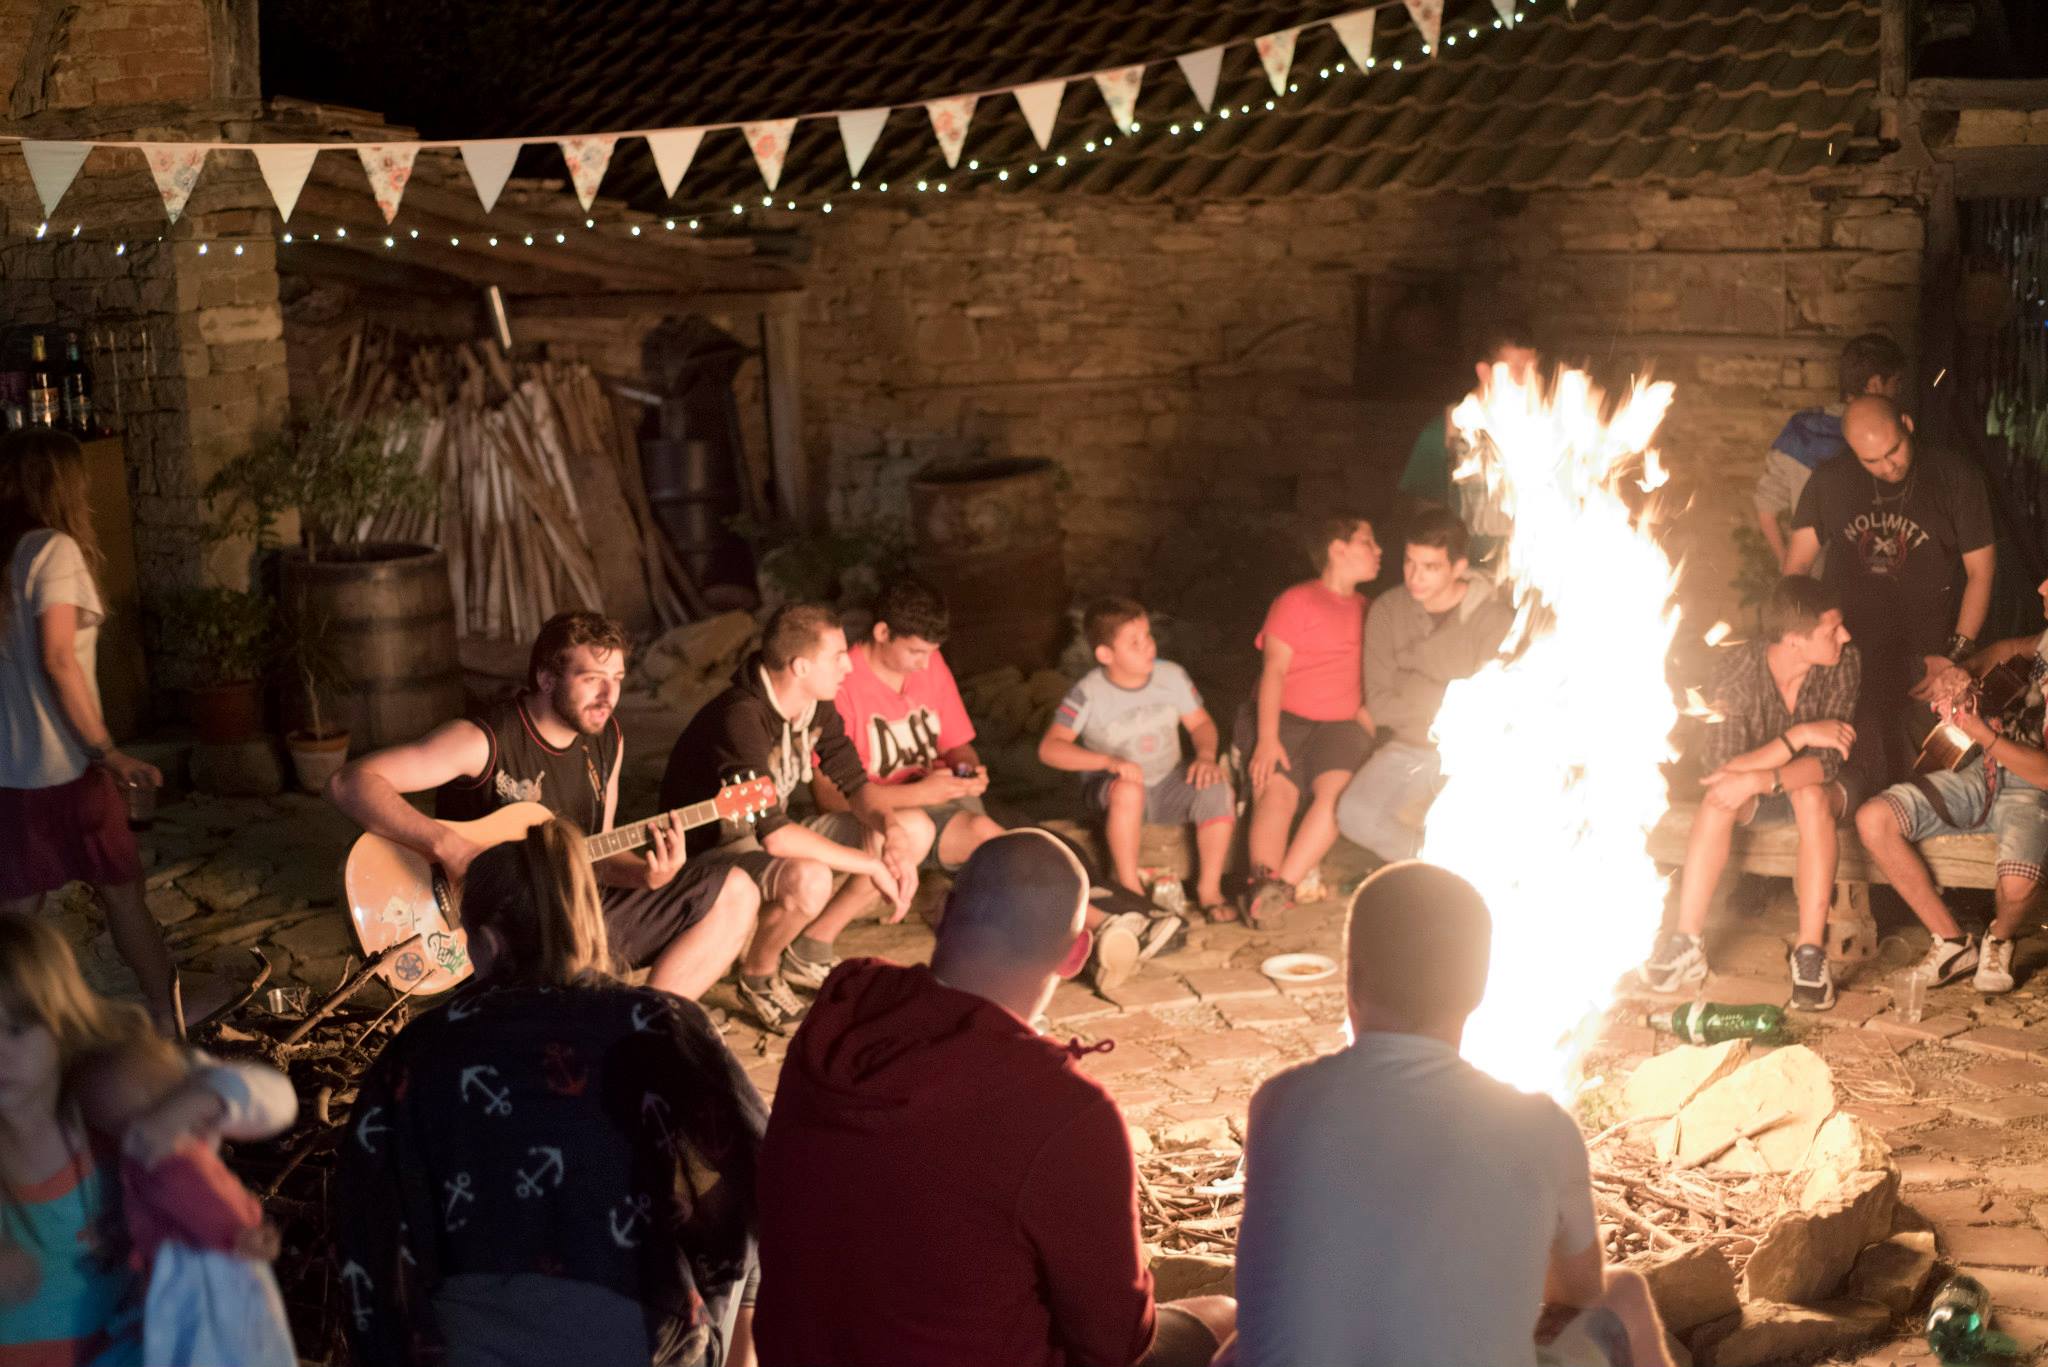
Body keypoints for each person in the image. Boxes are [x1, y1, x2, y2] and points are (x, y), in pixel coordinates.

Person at [752, 829, 1236, 1367]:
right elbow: (1115, 1342)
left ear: (942, 911)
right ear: (1077, 953)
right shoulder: (1063, 1110)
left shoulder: (846, 1004)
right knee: (1229, 1315)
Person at [336, 817, 765, 1367]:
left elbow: (365, 1210)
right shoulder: (660, 1024)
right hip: (641, 1335)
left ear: (487, 940)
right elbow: (763, 1173)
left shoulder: (423, 1047)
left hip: (465, 1342)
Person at [1233, 863, 1673, 1367]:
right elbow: (1577, 1293)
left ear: (1352, 978)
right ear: (1480, 989)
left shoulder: (1280, 1103)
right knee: (1625, 1297)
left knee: (1238, 1336)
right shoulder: (1542, 1128)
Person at [327, 610, 761, 1006]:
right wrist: (450, 847)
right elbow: (350, 783)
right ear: (547, 678)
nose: (609, 694)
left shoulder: (608, 740)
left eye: (618, 678)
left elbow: (598, 855)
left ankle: (645, 1024)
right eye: (592, 678)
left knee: (737, 890)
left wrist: (647, 876)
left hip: (571, 911)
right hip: (489, 930)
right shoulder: (483, 740)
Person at [0, 911, 297, 1366]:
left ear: (59, 1022)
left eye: (17, 1029)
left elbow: (276, 1099)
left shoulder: (107, 1097)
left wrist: (192, 1104)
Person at [659, 602, 922, 1033]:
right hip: (708, 854)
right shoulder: (740, 716)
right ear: (800, 666)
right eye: (837, 657)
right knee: (809, 877)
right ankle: (759, 975)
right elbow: (777, 838)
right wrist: (873, 863)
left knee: (912, 828)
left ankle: (807, 951)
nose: (848, 668)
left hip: (762, 836)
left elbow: (855, 785)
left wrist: (891, 833)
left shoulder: (815, 706)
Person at [0, 429, 179, 1035]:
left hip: (12, 772)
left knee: (16, 919)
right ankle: (167, 1023)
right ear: (63, 486)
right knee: (124, 895)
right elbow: (58, 658)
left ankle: (20, 1041)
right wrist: (108, 752)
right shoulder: (51, 551)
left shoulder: (4, 557)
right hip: (67, 768)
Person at [1638, 577, 1861, 1009]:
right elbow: (1721, 765)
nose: (1844, 636)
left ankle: (1810, 953)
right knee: (1718, 797)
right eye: (1831, 630)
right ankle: (1687, 943)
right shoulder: (1739, 668)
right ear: (1795, 641)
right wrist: (1798, 735)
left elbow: (1828, 762)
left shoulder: (1845, 660)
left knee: (1810, 795)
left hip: (1827, 789)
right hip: (1763, 784)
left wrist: (1759, 778)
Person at [1784, 394, 1994, 788]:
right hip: (1848, 657)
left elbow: (1981, 573)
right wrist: (1804, 646)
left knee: (1927, 779)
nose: (1888, 465)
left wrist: (1954, 656)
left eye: (1894, 450)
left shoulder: (1955, 477)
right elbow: (1795, 569)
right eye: (1872, 461)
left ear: (1907, 424)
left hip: (1926, 658)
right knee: (1851, 775)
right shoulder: (1831, 480)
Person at [1853, 575, 2048, 996]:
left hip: (2034, 793)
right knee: (1874, 819)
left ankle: (1999, 939)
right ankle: (1954, 943)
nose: (2042, 589)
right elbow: (2008, 649)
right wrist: (1964, 673)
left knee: (2018, 885)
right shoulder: (2045, 643)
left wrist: (1984, 735)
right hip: (1983, 776)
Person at [1335, 507, 1514, 862]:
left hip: (1477, 752)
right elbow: (1381, 705)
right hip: (1411, 747)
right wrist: (1453, 691)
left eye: (1430, 567)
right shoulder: (1388, 611)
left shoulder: (1493, 618)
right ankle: (1443, 870)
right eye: (1410, 563)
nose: (1415, 577)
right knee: (1355, 814)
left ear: (1458, 567)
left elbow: (1494, 708)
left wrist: (1417, 673)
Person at [1040, 597, 1235, 921]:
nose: (1147, 647)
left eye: (1147, 636)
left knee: (1215, 785)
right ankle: (1129, 889)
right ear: (1106, 654)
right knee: (1128, 788)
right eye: (1134, 642)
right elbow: (1050, 749)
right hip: (1114, 792)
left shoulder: (1172, 677)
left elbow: (1200, 723)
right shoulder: (1088, 693)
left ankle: (1210, 891)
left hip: (1168, 781)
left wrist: (1205, 756)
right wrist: (1108, 762)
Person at [1237, 516, 1381, 928]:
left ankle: (1279, 890)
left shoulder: (1370, 610)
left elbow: (1370, 676)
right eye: (1368, 542)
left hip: (1340, 727)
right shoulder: (1296, 602)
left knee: (1336, 798)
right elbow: (1275, 671)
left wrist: (1369, 730)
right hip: (1283, 718)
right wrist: (1266, 738)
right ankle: (1259, 881)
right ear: (1338, 549)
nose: (1378, 551)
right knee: (1276, 791)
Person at [821, 579, 1005, 873]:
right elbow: (828, 796)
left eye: (932, 652)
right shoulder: (841, 685)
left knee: (1005, 842)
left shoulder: (930, 663)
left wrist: (966, 772)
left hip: (939, 799)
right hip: (880, 817)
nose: (925, 663)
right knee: (990, 842)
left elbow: (956, 745)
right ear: (882, 632)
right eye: (915, 652)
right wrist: (921, 794)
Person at [1754, 332, 1907, 573]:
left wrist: (1788, 565)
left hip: (1819, 586)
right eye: (1897, 382)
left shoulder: (1799, 433)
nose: (1900, 391)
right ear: (1875, 384)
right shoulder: (1893, 443)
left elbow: (1765, 506)